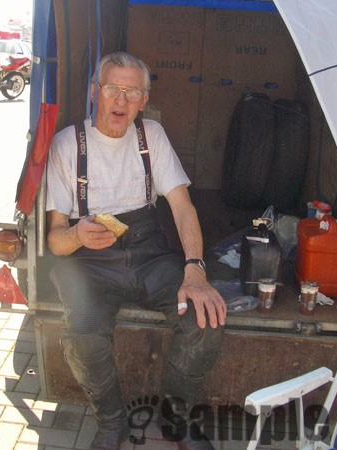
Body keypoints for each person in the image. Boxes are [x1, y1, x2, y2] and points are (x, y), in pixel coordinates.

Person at [45, 51, 227, 450]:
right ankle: (111, 423)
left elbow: (182, 207)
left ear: (144, 100)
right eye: (112, 89)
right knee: (82, 335)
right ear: (96, 92)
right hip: (87, 259)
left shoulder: (152, 136)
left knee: (204, 318)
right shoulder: (66, 144)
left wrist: (195, 271)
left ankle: (175, 419)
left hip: (148, 250)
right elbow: (55, 239)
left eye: (132, 92)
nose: (120, 101)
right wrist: (78, 235)